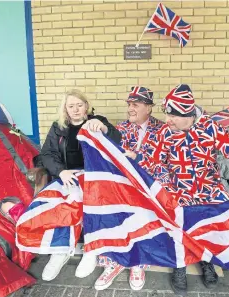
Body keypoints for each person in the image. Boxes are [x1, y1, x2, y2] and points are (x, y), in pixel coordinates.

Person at [125, 84, 229, 294]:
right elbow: (152, 159)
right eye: (167, 114)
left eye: (173, 116)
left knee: (208, 225)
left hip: (208, 187)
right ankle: (179, 266)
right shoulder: (165, 132)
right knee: (176, 222)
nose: (168, 120)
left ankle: (206, 261)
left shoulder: (209, 127)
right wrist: (137, 158)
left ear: (187, 114)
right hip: (177, 188)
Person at [0, 89, 121, 282]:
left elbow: (117, 141)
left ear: (86, 106)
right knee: (57, 204)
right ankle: (61, 250)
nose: (75, 109)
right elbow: (47, 154)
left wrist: (104, 128)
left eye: (79, 105)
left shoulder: (96, 121)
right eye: (71, 106)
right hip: (66, 177)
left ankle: (91, 249)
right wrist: (61, 171)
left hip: (94, 178)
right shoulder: (58, 127)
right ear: (65, 108)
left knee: (90, 203)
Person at [94, 86, 164, 291]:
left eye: (136, 105)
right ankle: (113, 262)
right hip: (123, 187)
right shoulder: (120, 129)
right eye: (129, 105)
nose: (130, 109)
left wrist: (139, 159)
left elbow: (166, 161)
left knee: (144, 211)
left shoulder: (162, 130)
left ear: (149, 108)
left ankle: (137, 263)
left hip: (151, 186)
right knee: (109, 208)